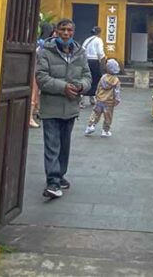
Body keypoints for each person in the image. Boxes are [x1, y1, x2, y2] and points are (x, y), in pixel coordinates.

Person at [35, 18, 91, 199]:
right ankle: (52, 181)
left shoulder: (80, 53)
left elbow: (87, 76)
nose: (66, 33)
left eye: (69, 30)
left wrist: (81, 86)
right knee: (52, 144)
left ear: (73, 32)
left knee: (64, 145)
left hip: (71, 107)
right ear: (56, 32)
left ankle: (60, 175)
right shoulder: (45, 52)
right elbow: (41, 78)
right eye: (62, 30)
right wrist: (63, 87)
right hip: (51, 107)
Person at [85, 59, 121, 138]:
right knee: (108, 117)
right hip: (109, 102)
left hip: (100, 100)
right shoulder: (116, 80)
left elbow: (98, 87)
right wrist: (117, 100)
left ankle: (90, 126)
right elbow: (117, 91)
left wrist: (97, 95)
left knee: (95, 113)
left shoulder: (103, 77)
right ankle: (105, 131)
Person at [30, 22, 54, 128]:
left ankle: (36, 112)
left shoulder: (37, 42)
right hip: (38, 70)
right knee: (34, 94)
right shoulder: (44, 44)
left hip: (34, 69)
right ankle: (30, 117)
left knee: (36, 94)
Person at [80, 26, 105, 108]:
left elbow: (82, 50)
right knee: (95, 80)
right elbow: (100, 53)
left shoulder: (87, 40)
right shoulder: (98, 40)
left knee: (85, 79)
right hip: (94, 62)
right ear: (99, 33)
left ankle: (83, 100)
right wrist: (103, 63)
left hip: (85, 61)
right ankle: (92, 98)